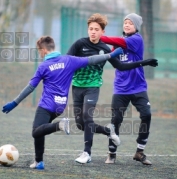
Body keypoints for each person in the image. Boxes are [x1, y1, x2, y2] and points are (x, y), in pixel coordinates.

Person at [2, 36, 155, 170]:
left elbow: (30, 87)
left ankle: (60, 127)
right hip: (60, 106)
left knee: (36, 131)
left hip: (47, 104)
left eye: (39, 51)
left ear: (43, 50)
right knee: (42, 129)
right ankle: (39, 162)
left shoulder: (43, 66)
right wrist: (111, 55)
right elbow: (92, 59)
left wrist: (14, 103)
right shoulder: (69, 60)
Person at [67, 13, 158, 164]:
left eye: (96, 29)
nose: (93, 31)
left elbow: (120, 64)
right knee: (85, 123)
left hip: (110, 87)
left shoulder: (130, 41)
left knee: (89, 117)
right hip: (105, 88)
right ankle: (110, 140)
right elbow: (68, 60)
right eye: (91, 29)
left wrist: (143, 62)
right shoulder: (82, 44)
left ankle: (88, 153)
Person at [99, 13, 153, 165]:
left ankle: (140, 151)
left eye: (130, 23)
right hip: (121, 88)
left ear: (136, 27)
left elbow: (116, 41)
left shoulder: (136, 39)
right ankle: (111, 153)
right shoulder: (117, 45)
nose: (127, 25)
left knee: (147, 115)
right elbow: (114, 59)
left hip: (138, 87)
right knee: (116, 120)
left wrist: (99, 37)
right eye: (125, 22)